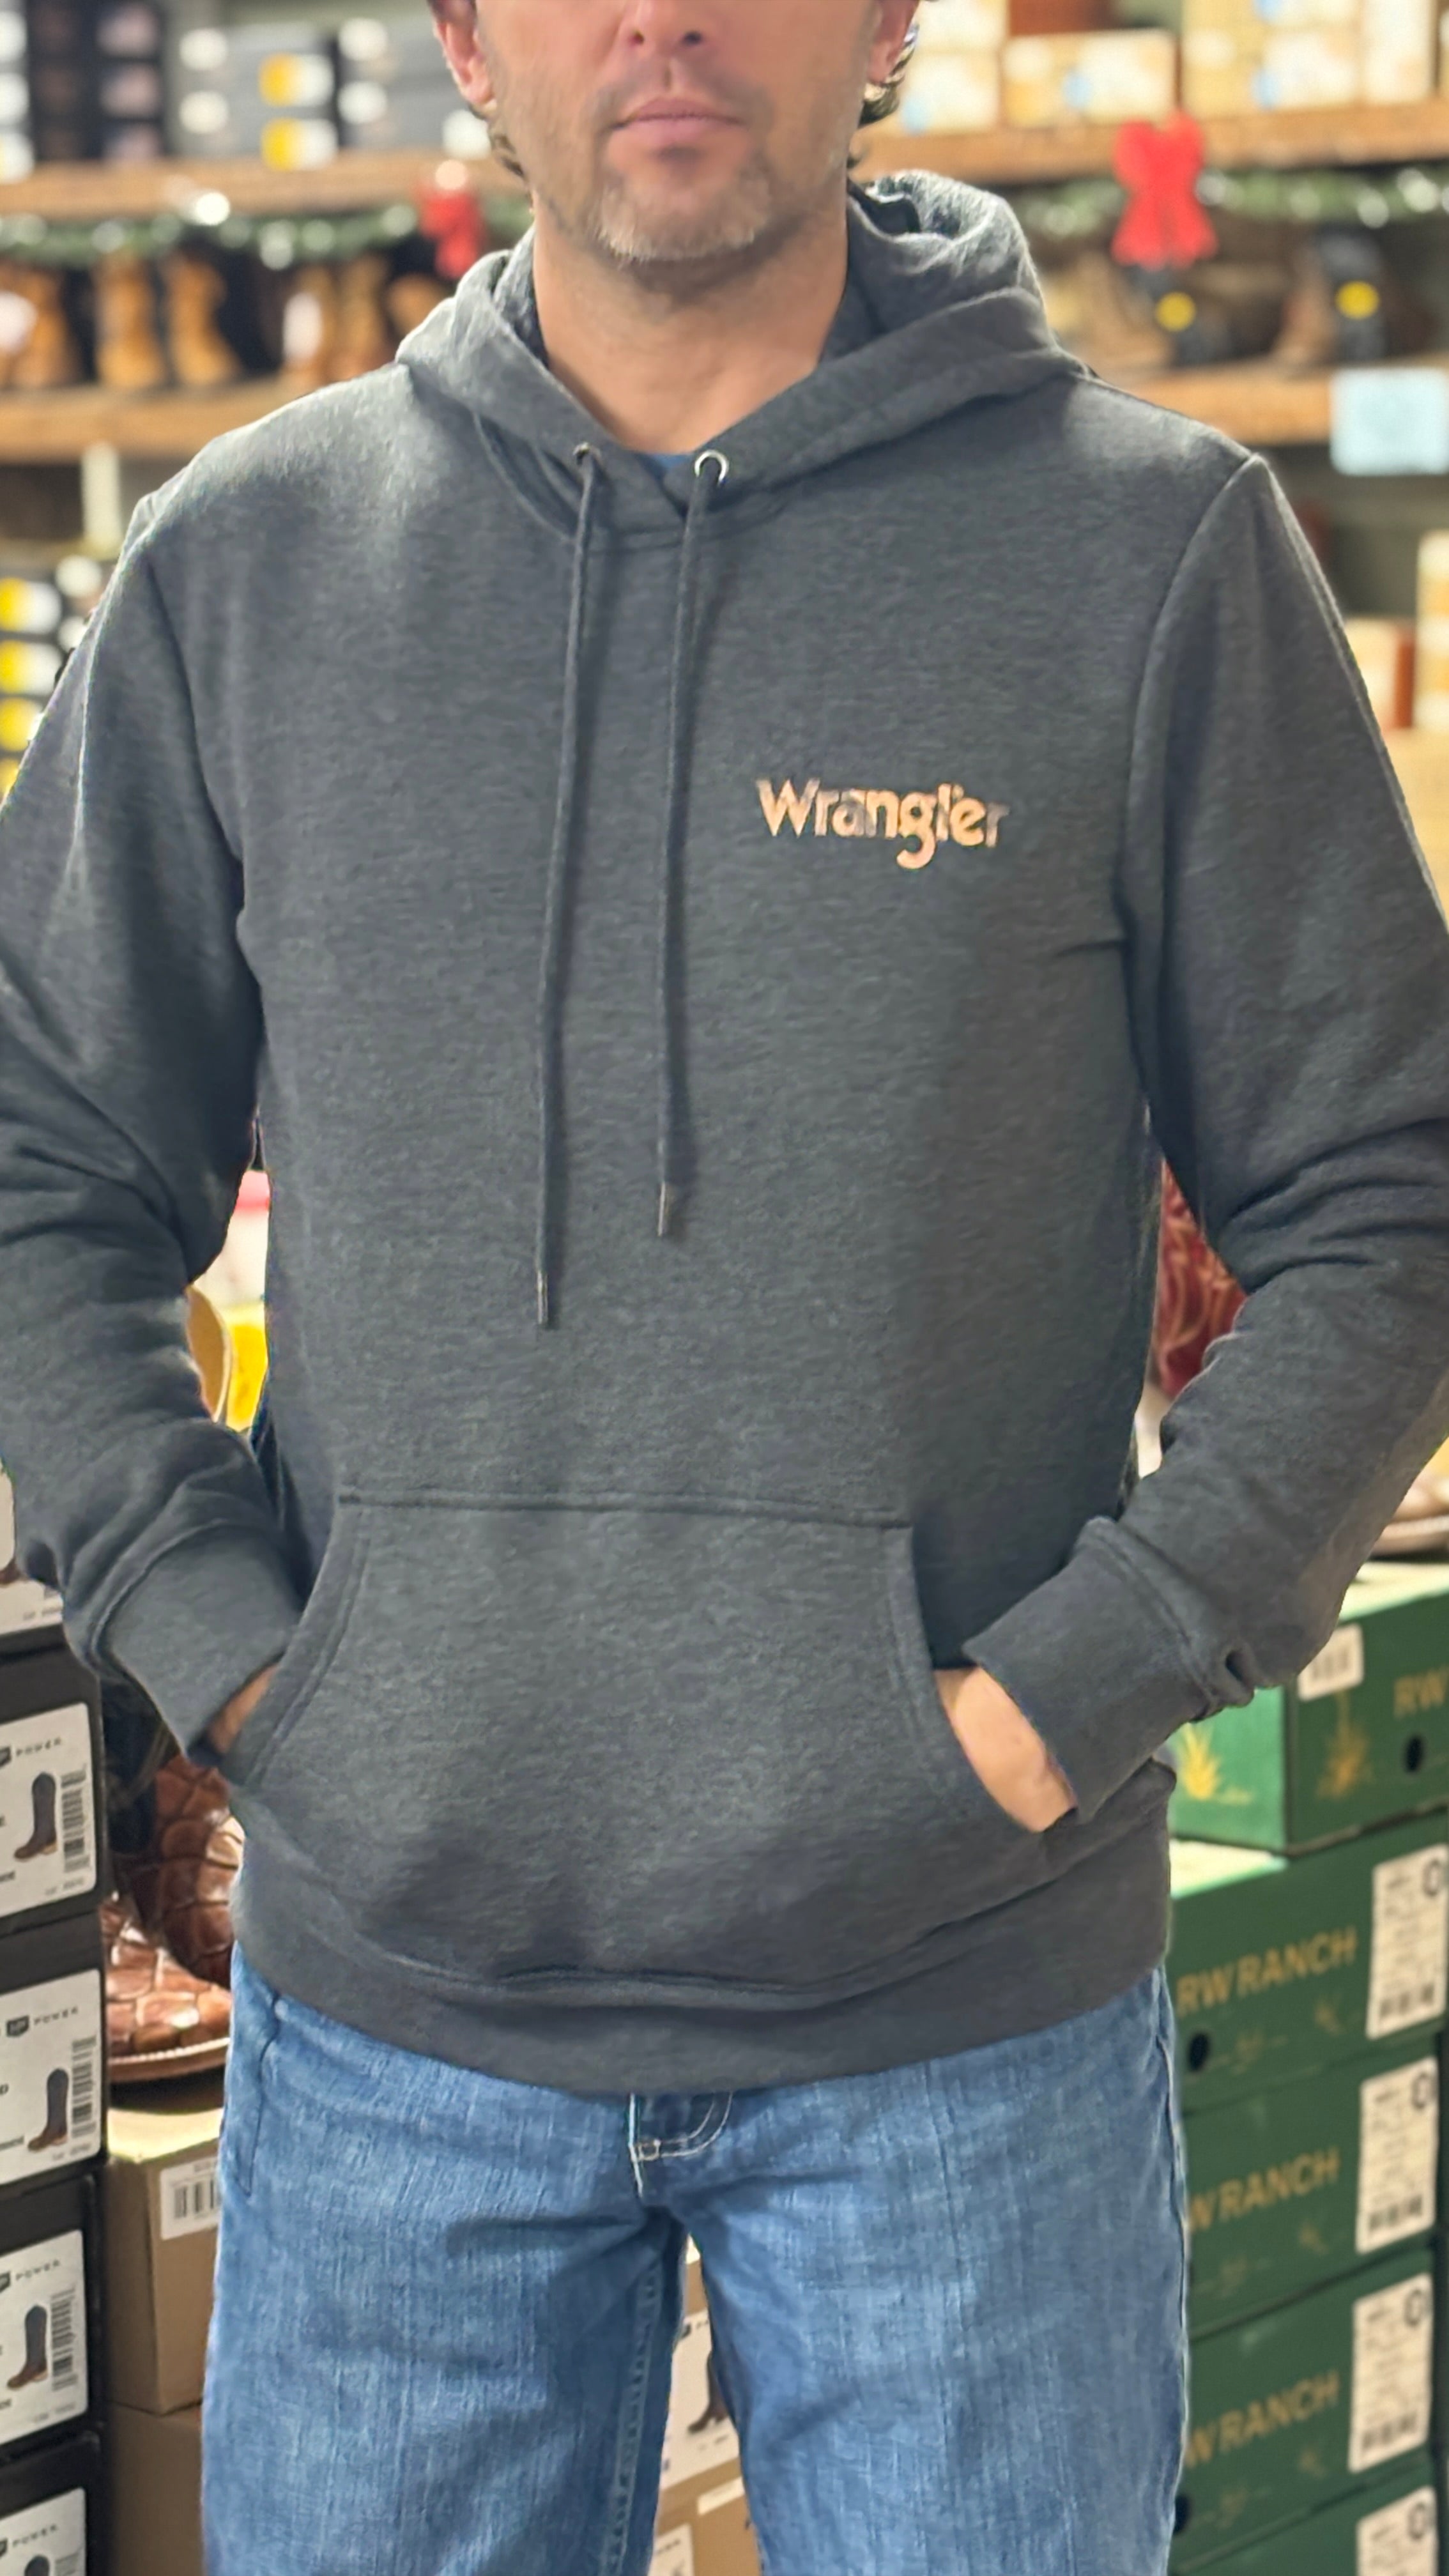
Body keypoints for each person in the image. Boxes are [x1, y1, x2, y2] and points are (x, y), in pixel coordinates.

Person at [1, 1, 1448, 2567]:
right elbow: (41, 1167)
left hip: (965, 2020)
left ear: (882, 17)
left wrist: (1062, 1705)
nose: (663, 14)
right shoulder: (251, 566)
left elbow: (1387, 1202)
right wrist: (242, 1668)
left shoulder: (1153, 557)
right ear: (466, 34)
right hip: (396, 2029)